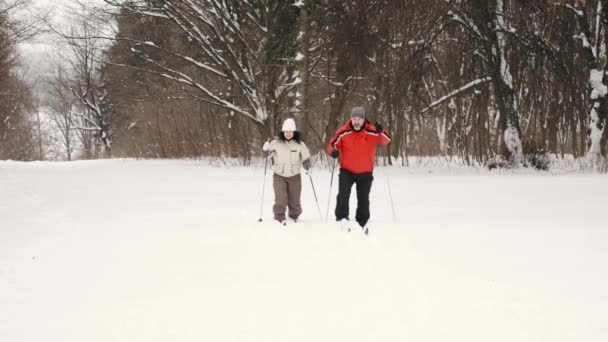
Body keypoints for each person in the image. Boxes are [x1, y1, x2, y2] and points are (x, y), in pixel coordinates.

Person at [326, 107, 391, 234]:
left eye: (359, 119)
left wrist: (381, 130)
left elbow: (386, 140)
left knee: (363, 197)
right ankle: (342, 217)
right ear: (351, 119)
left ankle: (363, 219)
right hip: (347, 170)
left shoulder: (372, 131)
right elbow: (331, 144)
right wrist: (332, 152)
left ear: (363, 119)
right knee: (343, 194)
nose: (356, 122)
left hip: (365, 171)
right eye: (354, 119)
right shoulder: (343, 131)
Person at [262, 118, 312, 225]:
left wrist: (307, 164)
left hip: (295, 175)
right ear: (283, 132)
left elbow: (305, 155)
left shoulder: (299, 144)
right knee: (280, 197)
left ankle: (294, 215)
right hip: (279, 175)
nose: (288, 134)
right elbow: (265, 154)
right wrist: (265, 149)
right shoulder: (276, 143)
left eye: (290, 132)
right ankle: (279, 216)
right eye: (286, 131)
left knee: (295, 199)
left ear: (294, 132)